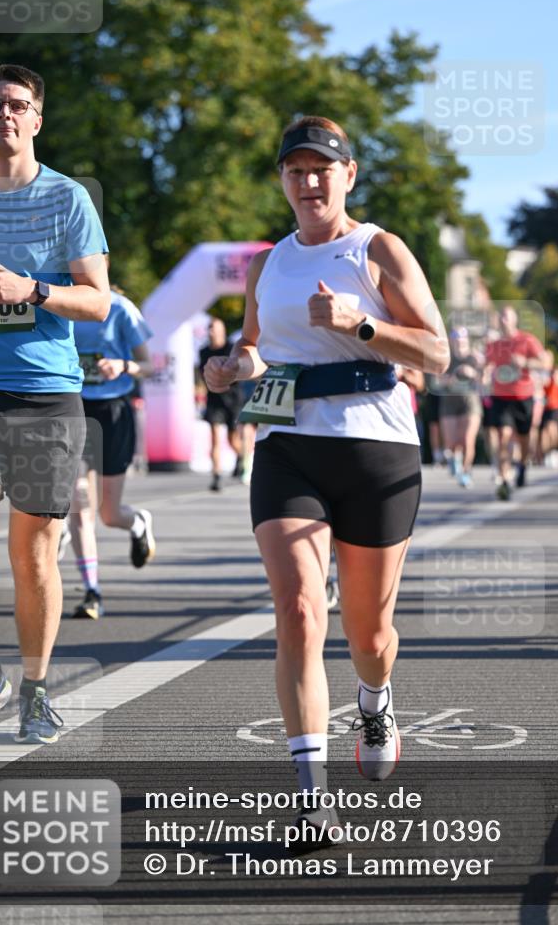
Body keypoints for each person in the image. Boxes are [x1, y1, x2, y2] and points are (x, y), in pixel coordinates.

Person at [204, 116, 449, 834]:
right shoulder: (267, 263)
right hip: (288, 447)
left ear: (347, 177)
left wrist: (360, 325)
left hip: (376, 451)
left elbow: (435, 353)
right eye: (294, 170)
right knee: (301, 612)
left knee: (368, 634)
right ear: (281, 180)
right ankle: (311, 797)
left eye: (321, 170)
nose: (308, 182)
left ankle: (374, 704)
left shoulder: (378, 250)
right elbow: (256, 348)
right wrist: (231, 366)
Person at [0, 64, 110, 746]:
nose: (4, 116)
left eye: (17, 106)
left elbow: (98, 299)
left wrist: (34, 291)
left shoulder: (69, 198)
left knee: (35, 555)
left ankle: (38, 690)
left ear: (36, 119)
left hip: (46, 395)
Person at [67, 275, 155, 619]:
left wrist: (124, 366)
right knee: (78, 503)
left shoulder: (120, 309)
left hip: (113, 411)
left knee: (109, 513)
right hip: (71, 408)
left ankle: (137, 523)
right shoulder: (56, 302)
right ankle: (92, 591)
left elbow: (149, 365)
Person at [484, 304, 546, 499]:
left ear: (514, 320)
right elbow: (486, 366)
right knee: (503, 436)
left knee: (524, 439)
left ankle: (522, 466)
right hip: (501, 397)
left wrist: (525, 362)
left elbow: (545, 361)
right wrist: (483, 375)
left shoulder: (527, 340)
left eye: (506, 317)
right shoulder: (494, 344)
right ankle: (504, 479)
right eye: (501, 317)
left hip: (523, 397)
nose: (503, 321)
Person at [198, 317, 243, 491]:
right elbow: (203, 375)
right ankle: (216, 476)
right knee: (215, 438)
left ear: (222, 331)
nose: (211, 332)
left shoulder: (232, 348)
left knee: (233, 440)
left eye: (214, 328)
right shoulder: (203, 352)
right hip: (214, 398)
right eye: (209, 328)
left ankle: (240, 457)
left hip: (232, 399)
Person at [438, 327, 484, 488]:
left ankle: (465, 472)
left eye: (462, 338)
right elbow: (436, 381)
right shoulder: (445, 358)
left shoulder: (475, 358)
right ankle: (454, 459)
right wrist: (448, 380)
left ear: (467, 340)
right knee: (451, 443)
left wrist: (473, 373)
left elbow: (486, 380)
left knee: (467, 440)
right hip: (450, 402)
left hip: (470, 402)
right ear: (451, 340)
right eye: (456, 338)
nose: (459, 341)